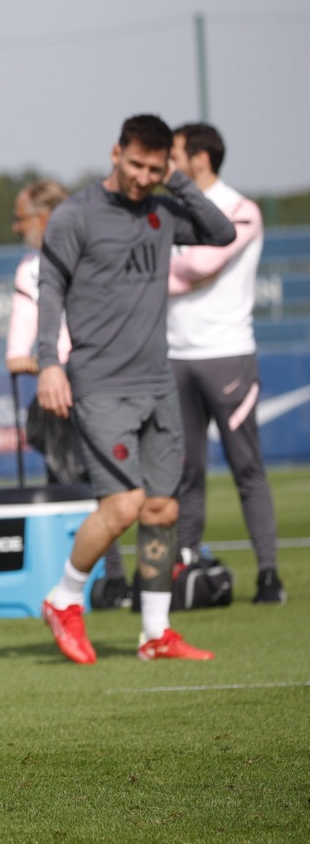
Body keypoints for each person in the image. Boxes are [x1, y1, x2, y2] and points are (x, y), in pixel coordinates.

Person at [35, 114, 235, 664]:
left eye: (155, 167)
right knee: (123, 505)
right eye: (136, 164)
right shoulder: (75, 214)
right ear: (114, 153)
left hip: (157, 383)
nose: (144, 176)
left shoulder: (165, 208)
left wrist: (182, 184)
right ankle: (64, 597)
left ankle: (154, 633)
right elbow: (48, 288)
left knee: (162, 510)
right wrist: (49, 363)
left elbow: (222, 233)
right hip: (98, 385)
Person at [168, 122, 284, 604]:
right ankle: (185, 570)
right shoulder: (167, 211)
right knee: (184, 473)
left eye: (172, 152)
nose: (163, 163)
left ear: (199, 159)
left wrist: (153, 273)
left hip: (228, 354)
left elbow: (201, 266)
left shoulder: (242, 209)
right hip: (174, 355)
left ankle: (269, 576)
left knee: (245, 467)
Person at [6, 180, 129, 608]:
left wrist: (43, 362)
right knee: (92, 483)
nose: (15, 227)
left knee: (95, 485)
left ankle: (104, 581)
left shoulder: (39, 265)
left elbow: (18, 354)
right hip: (93, 381)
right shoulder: (45, 264)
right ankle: (100, 581)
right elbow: (15, 354)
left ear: (43, 218)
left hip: (88, 384)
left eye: (20, 219)